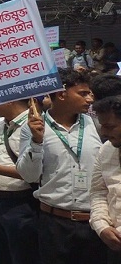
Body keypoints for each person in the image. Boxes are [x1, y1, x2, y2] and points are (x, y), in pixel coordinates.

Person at [17, 69, 105, 264]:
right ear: (61, 94)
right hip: (54, 223)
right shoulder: (33, 128)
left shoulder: (97, 125)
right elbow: (29, 176)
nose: (90, 98)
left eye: (89, 93)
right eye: (83, 93)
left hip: (94, 221)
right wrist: (37, 142)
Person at [0, 98, 38, 264]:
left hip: (22, 203)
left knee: (24, 257)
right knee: (3, 256)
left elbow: (35, 173)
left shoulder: (33, 126)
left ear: (9, 101)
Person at [90, 95, 121, 260]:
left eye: (110, 126)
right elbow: (98, 192)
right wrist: (101, 226)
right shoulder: (106, 150)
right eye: (102, 126)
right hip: (114, 245)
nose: (103, 132)